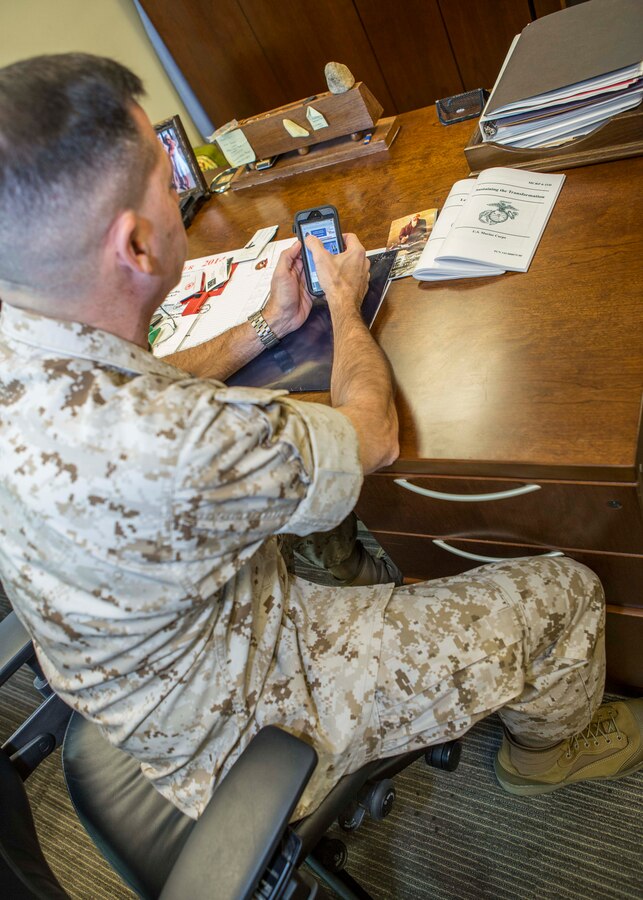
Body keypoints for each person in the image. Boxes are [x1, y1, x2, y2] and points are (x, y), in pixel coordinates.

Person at [0, 54, 640, 825]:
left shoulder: (28, 338)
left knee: (331, 520)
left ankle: (365, 585)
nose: (180, 197)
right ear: (136, 247)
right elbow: (371, 437)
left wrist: (265, 326)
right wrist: (342, 301)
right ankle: (547, 756)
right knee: (564, 593)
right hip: (245, 723)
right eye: (167, 186)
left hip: (142, 669)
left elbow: (144, 373)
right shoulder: (179, 442)